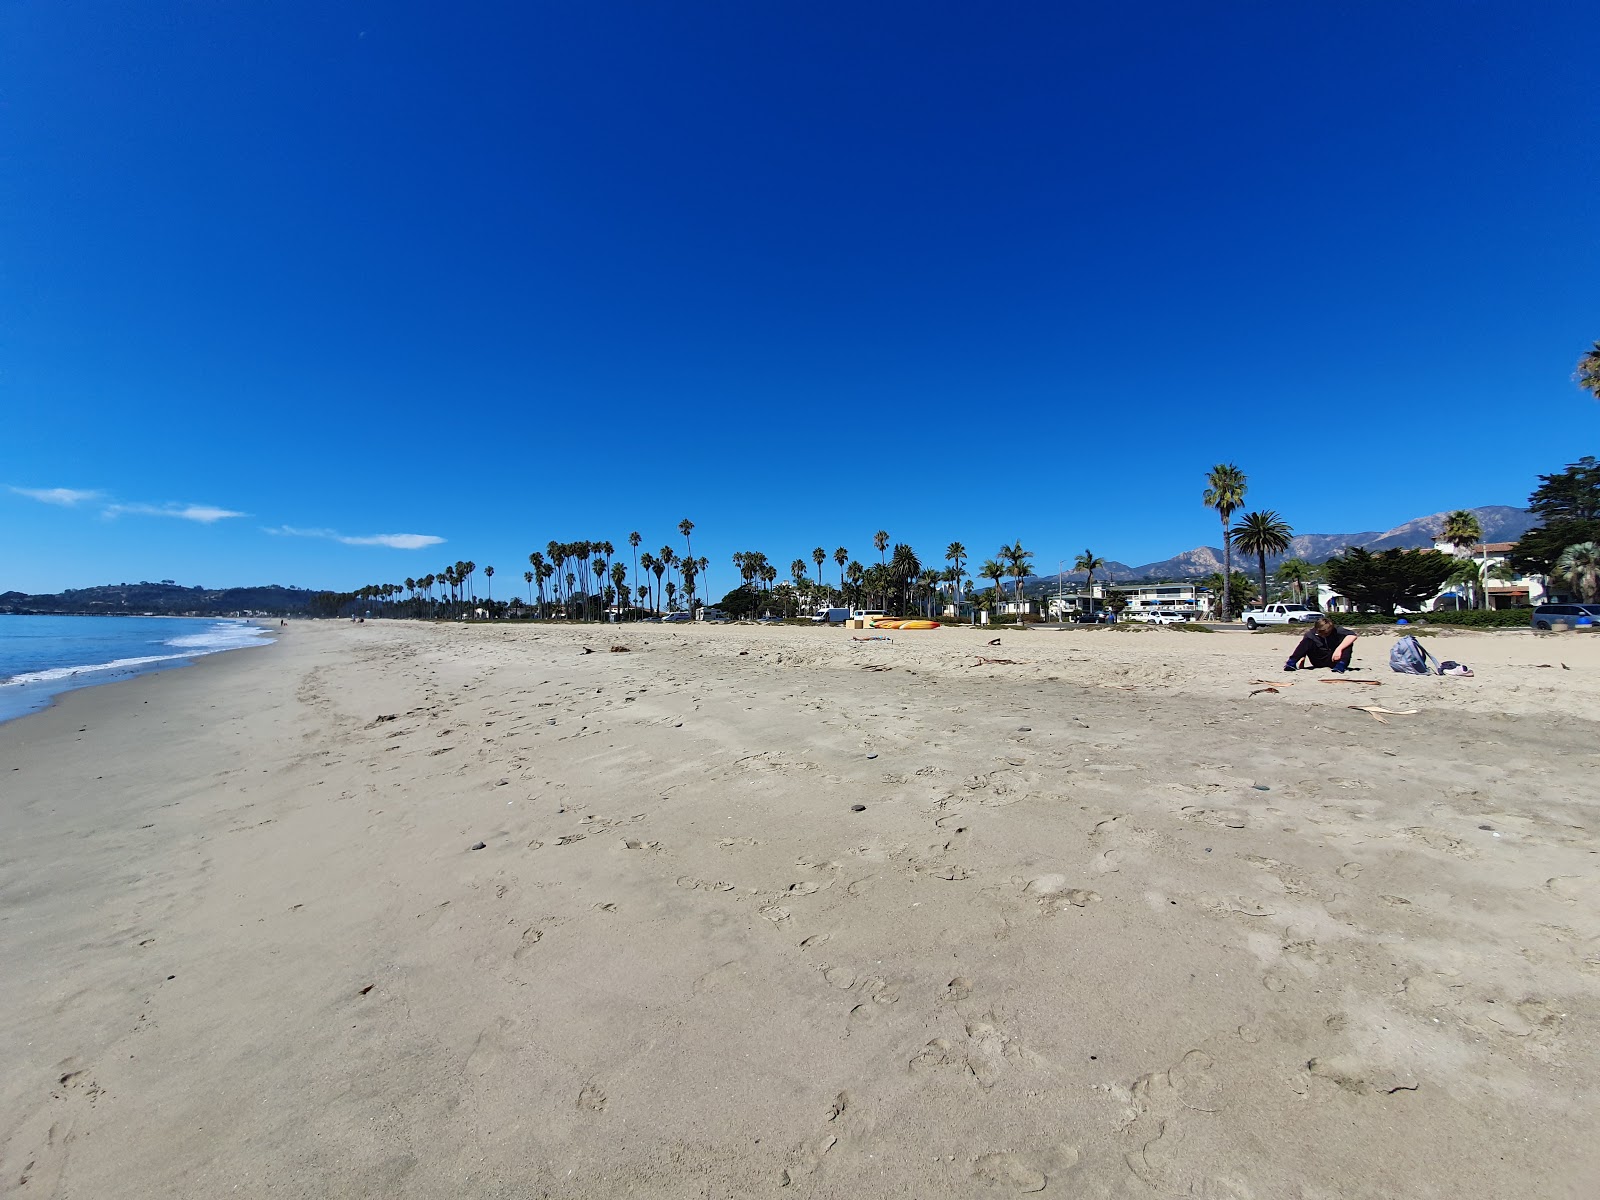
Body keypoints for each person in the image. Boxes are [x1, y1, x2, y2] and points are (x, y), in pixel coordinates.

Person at [1285, 616, 1358, 672]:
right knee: (1307, 641)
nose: (1324, 635)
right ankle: (1291, 662)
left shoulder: (1337, 630)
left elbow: (1353, 636)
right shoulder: (1311, 634)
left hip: (1334, 658)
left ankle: (1341, 665)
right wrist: (1302, 660)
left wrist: (1339, 649)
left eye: (1327, 633)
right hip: (1318, 659)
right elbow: (1303, 648)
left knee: (1347, 642)